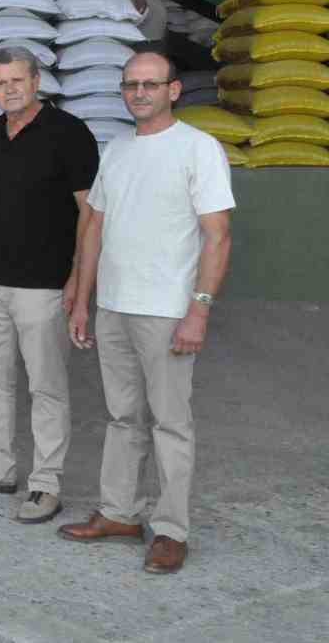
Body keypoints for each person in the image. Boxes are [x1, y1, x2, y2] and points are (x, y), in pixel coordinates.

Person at [58, 51, 234, 574]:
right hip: (114, 305)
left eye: (151, 84)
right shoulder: (116, 150)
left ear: (173, 90)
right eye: (131, 84)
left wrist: (198, 310)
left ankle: (171, 529)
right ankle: (120, 513)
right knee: (122, 417)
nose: (139, 92)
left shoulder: (199, 149)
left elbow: (218, 236)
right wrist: (84, 299)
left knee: (170, 423)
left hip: (166, 310)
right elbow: (94, 229)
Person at [0, 46, 98, 525]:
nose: (8, 90)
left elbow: (90, 214)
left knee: (46, 387)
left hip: (43, 285)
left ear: (36, 80)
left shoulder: (70, 134)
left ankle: (45, 484)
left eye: (17, 80)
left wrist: (78, 278)